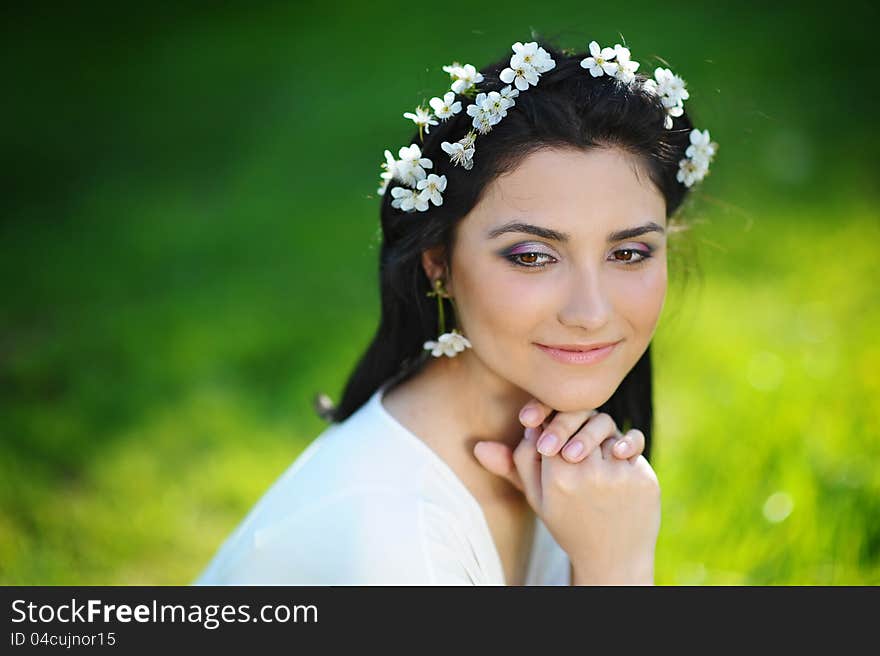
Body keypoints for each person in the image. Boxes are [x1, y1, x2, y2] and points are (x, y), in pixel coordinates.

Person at [193, 36, 717, 586]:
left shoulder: (565, 465)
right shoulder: (392, 549)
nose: (590, 312)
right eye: (533, 256)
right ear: (438, 262)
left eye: (628, 253)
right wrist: (616, 568)